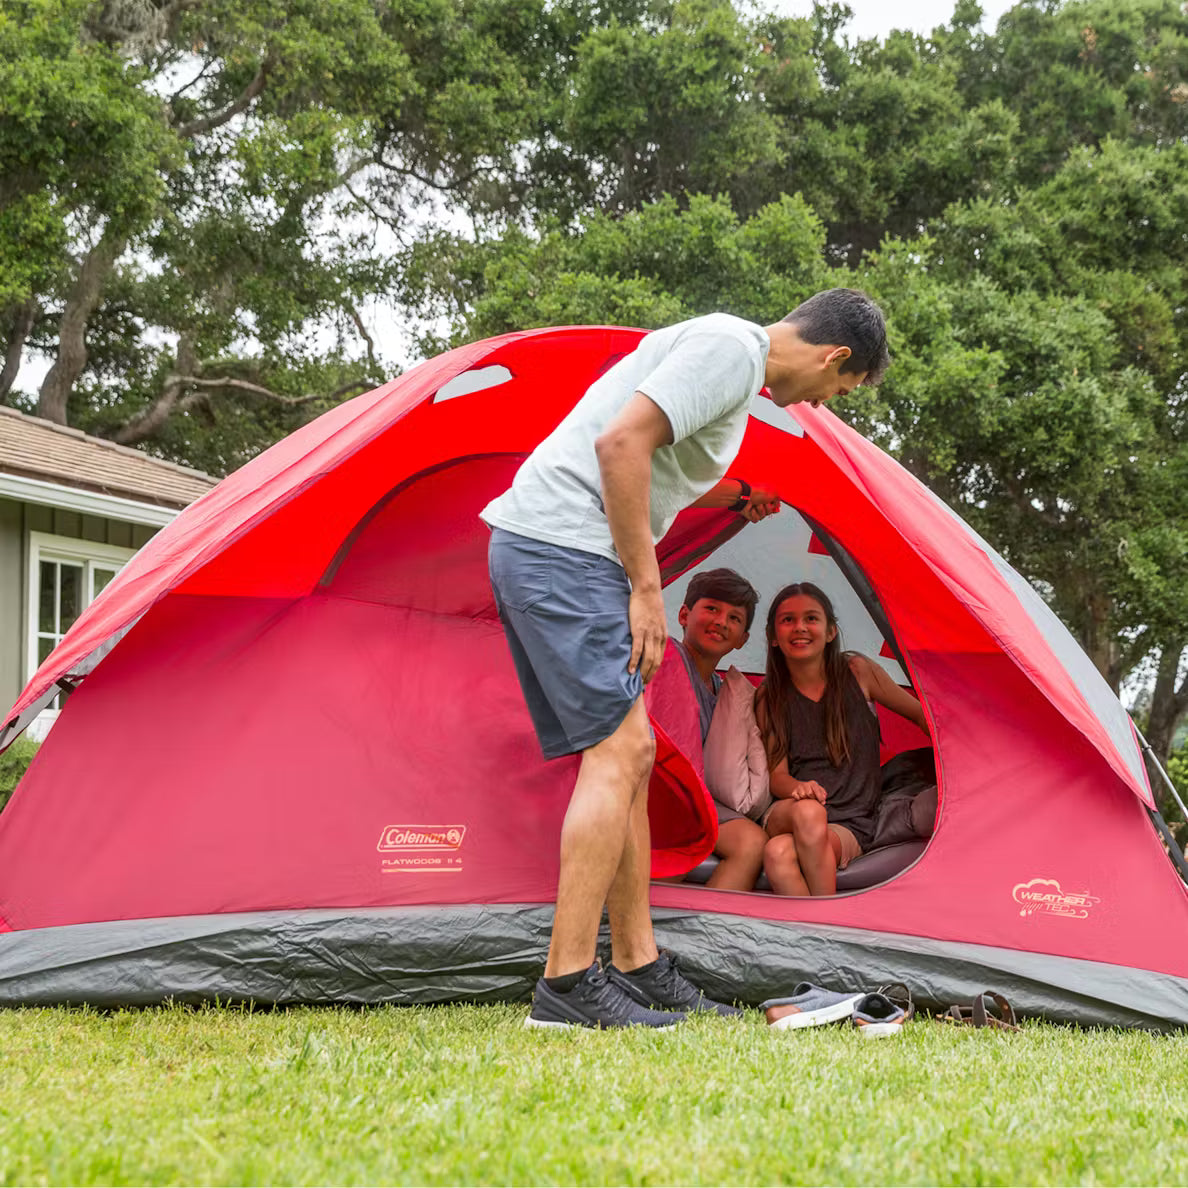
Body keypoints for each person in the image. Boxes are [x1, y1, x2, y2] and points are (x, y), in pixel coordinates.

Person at [482, 289, 890, 1028]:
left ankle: (640, 963)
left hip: (563, 552)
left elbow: (662, 456)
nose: (825, 404)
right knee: (621, 751)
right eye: (840, 390)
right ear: (836, 357)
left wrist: (734, 496)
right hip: (566, 551)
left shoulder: (729, 363)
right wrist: (647, 587)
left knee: (629, 756)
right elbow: (620, 444)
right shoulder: (733, 349)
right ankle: (566, 983)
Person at [756, 582, 929, 897]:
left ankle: (811, 941)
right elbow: (777, 776)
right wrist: (798, 788)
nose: (800, 628)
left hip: (850, 823)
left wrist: (964, 755)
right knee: (809, 812)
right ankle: (827, 929)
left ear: (831, 631)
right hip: (790, 811)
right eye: (787, 620)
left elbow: (920, 714)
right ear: (773, 637)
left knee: (778, 855)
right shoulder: (770, 696)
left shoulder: (857, 672)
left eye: (811, 618)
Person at [668, 568, 769, 892]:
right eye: (712, 608)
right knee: (677, 836)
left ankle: (699, 941)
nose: (721, 621)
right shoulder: (666, 656)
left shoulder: (723, 691)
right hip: (658, 794)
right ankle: (628, 925)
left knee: (751, 842)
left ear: (742, 640)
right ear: (684, 614)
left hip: (698, 799)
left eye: (734, 618)